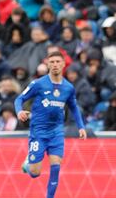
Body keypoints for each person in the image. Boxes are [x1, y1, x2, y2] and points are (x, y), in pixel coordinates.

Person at [14, 51, 87, 198]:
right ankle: (28, 163)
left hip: (56, 131)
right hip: (39, 131)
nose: (55, 65)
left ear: (63, 64)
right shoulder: (38, 84)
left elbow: (73, 107)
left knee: (56, 166)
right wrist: (19, 111)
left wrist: (81, 126)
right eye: (52, 62)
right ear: (47, 64)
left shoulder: (68, 88)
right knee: (35, 173)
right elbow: (19, 99)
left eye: (58, 62)